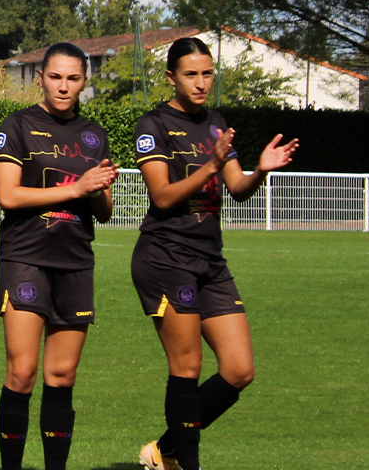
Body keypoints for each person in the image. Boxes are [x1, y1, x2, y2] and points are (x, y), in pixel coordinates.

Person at [131, 37, 298, 470]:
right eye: (191, 74)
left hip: (210, 260)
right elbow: (162, 196)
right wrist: (211, 164)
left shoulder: (216, 123)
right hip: (166, 257)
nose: (201, 82)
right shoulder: (153, 125)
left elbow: (237, 188)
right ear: (171, 77)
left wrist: (261, 170)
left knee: (239, 370)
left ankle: (164, 450)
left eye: (207, 73)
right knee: (186, 367)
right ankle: (186, 463)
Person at [0, 42, 118, 470]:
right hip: (25, 259)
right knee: (22, 371)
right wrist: (76, 188)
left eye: (73, 78)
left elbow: (104, 211)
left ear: (84, 81)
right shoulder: (18, 124)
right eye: (56, 77)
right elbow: (8, 196)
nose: (64, 86)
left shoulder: (94, 134)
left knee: (62, 376)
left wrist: (98, 189)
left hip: (75, 262)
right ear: (41, 78)